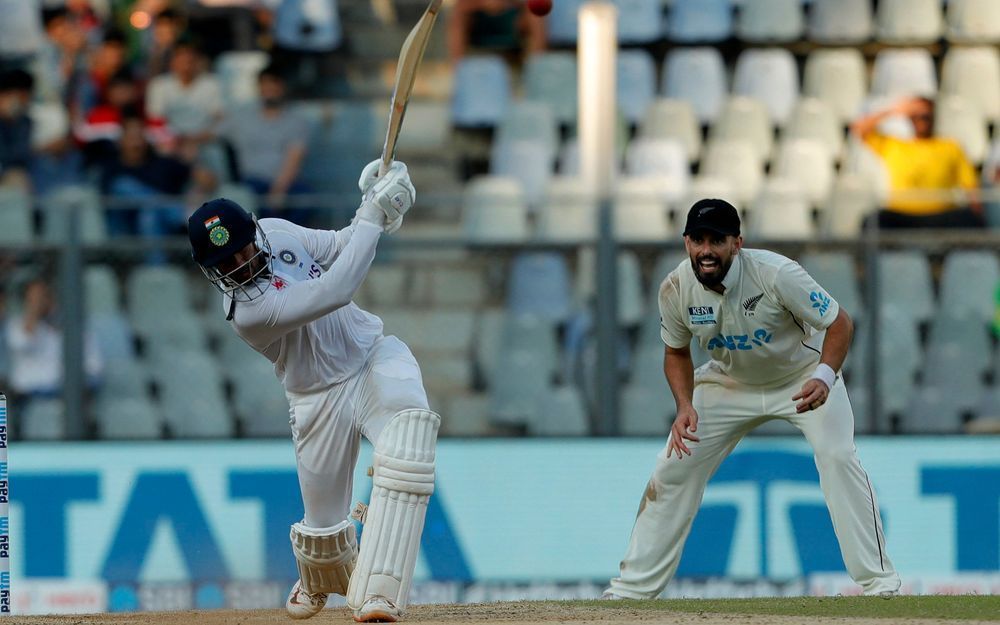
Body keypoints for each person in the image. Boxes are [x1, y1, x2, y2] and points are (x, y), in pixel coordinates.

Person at [603, 199, 901, 600]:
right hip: (729, 383)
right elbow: (675, 352)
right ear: (686, 242)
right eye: (697, 239)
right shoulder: (675, 288)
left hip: (802, 380)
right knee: (674, 467)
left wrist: (825, 377)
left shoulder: (776, 274)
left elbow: (839, 322)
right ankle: (630, 593)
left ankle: (880, 585)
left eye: (717, 240)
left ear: (737, 243)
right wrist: (685, 405)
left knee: (837, 458)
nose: (706, 250)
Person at [186, 158, 439, 622]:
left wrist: (377, 207)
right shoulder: (248, 313)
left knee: (408, 440)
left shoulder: (279, 231)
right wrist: (374, 214)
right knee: (323, 537)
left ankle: (380, 593)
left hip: (371, 358)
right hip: (316, 398)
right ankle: (318, 575)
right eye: (227, 264)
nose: (240, 266)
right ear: (213, 271)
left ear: (255, 232)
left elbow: (342, 246)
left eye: (242, 250)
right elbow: (338, 287)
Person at [850, 96, 982, 229]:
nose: (921, 120)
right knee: (872, 222)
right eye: (915, 116)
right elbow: (859, 129)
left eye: (925, 116)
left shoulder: (951, 147)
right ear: (909, 119)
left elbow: (970, 185)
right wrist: (894, 111)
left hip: (942, 213)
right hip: (901, 215)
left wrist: (977, 211)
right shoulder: (893, 145)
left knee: (970, 220)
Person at [215, 63, 311, 224]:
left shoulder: (296, 121)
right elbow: (214, 133)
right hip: (251, 182)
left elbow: (295, 156)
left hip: (286, 183)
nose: (269, 89)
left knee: (305, 198)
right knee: (243, 199)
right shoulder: (242, 117)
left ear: (282, 87)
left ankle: (287, 242)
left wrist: (279, 189)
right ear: (258, 87)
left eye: (274, 84)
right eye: (265, 84)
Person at [6, 278, 102, 403]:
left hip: (67, 393)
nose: (41, 301)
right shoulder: (15, 325)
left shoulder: (74, 326)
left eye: (44, 296)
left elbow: (95, 366)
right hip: (31, 396)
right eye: (34, 298)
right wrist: (34, 310)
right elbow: (24, 343)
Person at [448, 0, 546, 66]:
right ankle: (458, 69)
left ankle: (536, 67)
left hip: (512, 27)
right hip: (480, 29)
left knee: (535, 14)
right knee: (459, 17)